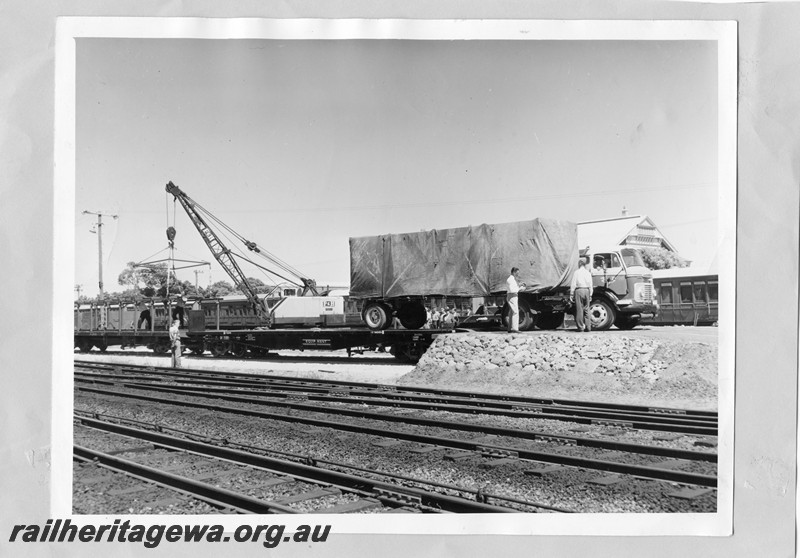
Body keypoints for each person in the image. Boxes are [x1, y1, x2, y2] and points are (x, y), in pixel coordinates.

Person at [570, 258, 594, 332]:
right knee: (587, 309)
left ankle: (580, 327)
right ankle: (588, 327)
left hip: (579, 290)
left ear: (579, 264)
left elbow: (573, 284)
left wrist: (571, 294)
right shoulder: (588, 273)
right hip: (586, 290)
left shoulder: (576, 273)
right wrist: (590, 294)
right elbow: (590, 284)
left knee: (579, 309)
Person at [505, 267, 525, 333]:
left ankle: (510, 328)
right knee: (515, 312)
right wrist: (520, 289)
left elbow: (513, 287)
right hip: (512, 296)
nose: (518, 275)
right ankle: (515, 328)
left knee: (511, 312)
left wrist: (519, 285)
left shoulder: (512, 279)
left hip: (513, 296)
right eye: (517, 273)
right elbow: (512, 290)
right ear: (513, 272)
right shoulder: (510, 279)